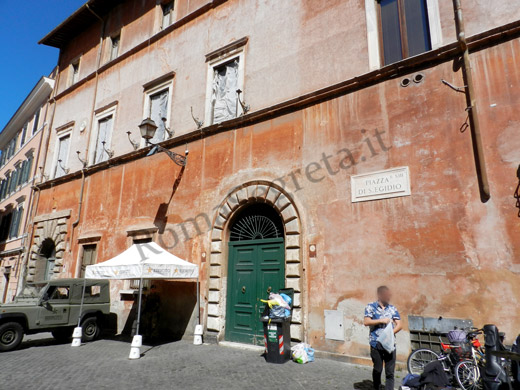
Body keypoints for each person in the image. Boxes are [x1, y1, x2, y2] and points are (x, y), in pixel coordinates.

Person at [364, 286, 402, 390]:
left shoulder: (392, 308)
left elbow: (399, 325)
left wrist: (389, 334)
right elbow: (366, 321)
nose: (389, 297)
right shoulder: (370, 306)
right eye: (387, 295)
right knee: (378, 370)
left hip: (390, 344)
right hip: (376, 344)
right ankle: (376, 387)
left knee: (390, 372)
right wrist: (381, 320)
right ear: (380, 295)